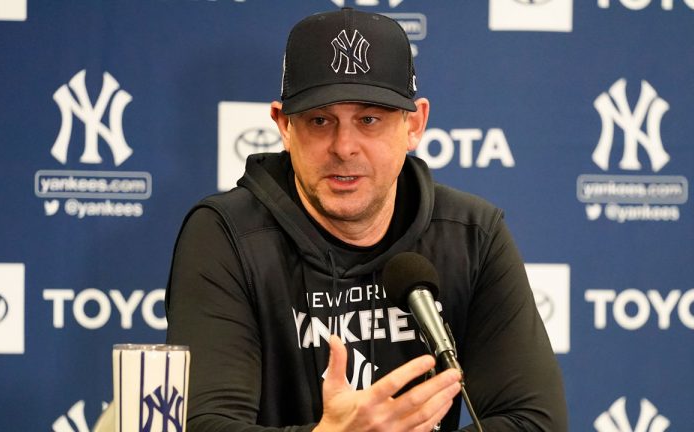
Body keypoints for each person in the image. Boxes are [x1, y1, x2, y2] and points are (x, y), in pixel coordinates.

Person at [166, 7, 567, 431]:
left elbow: (536, 422)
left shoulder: (470, 234)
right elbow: (204, 425)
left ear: (415, 124)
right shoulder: (227, 235)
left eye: (369, 119)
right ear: (283, 125)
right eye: (320, 121)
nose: (344, 146)